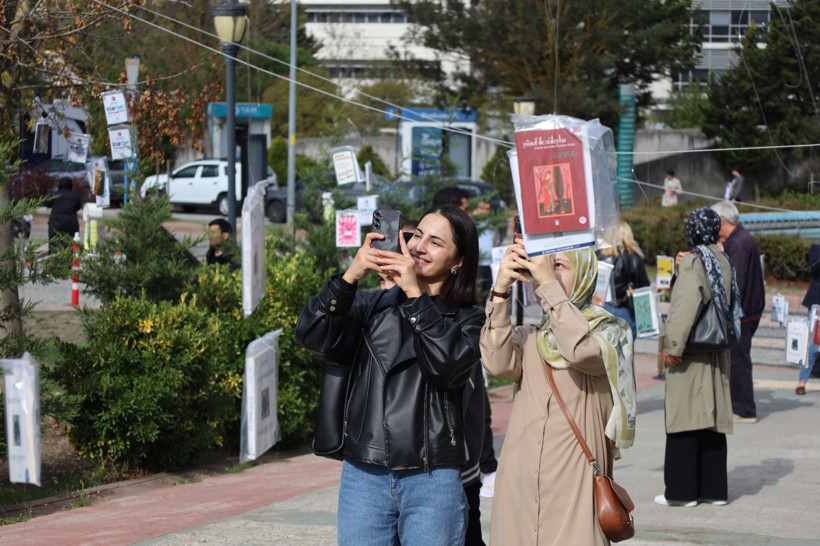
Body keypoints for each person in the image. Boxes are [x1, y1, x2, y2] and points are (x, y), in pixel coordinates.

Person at [296, 205, 484, 545]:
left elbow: (448, 366)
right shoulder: (373, 304)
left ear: (458, 262)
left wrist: (414, 294)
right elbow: (314, 337)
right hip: (364, 473)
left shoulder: (469, 319)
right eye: (416, 235)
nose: (418, 246)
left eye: (435, 242)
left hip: (432, 477)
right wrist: (350, 276)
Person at [480, 245, 636, 545]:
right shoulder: (531, 338)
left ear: (586, 274)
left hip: (575, 485)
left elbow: (578, 351)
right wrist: (500, 289)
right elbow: (496, 360)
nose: (547, 272)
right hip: (520, 485)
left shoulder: (610, 333)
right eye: (545, 266)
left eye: (559, 266)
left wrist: (549, 286)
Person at [657, 207, 742, 507]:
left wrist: (672, 346)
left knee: (683, 418)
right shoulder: (723, 259)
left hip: (691, 352)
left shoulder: (694, 262)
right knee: (712, 421)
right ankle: (713, 491)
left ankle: (681, 493)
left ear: (692, 232)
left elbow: (684, 308)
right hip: (716, 349)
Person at [711, 201, 765, 423]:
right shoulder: (739, 239)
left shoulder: (739, 243)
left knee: (739, 360)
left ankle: (744, 409)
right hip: (747, 310)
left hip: (742, 313)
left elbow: (736, 282)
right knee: (736, 359)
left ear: (722, 221)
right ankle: (739, 405)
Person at [596, 221, 651, 340]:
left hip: (600, 309)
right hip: (624, 310)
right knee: (625, 354)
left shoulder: (598, 256)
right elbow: (644, 287)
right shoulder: (634, 259)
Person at [797, 243, 820, 395]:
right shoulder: (816, 250)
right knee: (813, 345)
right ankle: (802, 381)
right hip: (817, 304)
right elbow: (814, 267)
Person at [47, 177, 82, 253]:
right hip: (71, 224)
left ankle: (54, 259)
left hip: (56, 223)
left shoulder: (55, 195)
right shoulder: (75, 196)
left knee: (54, 243)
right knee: (70, 244)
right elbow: (78, 206)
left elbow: (47, 203)